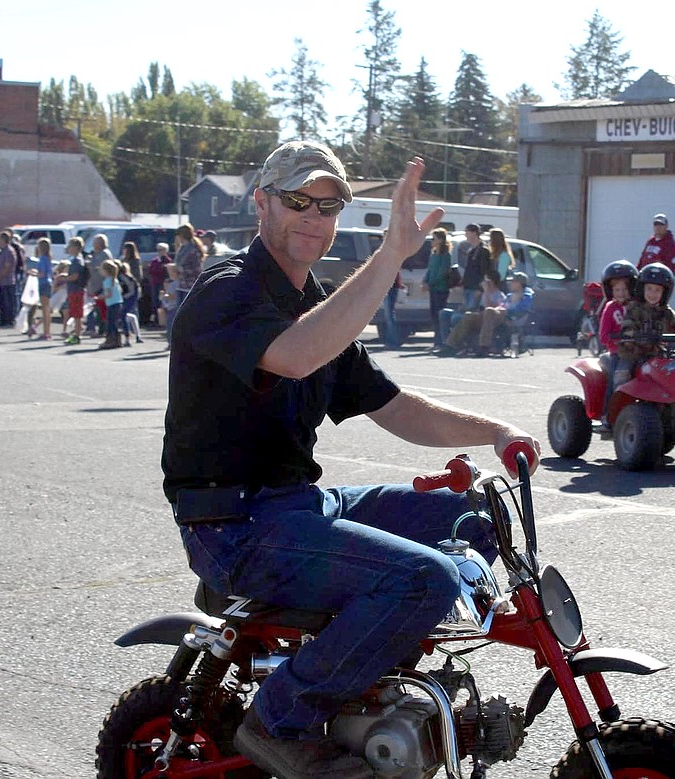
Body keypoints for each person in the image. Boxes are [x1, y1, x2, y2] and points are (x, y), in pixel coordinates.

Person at [162, 140, 539, 779]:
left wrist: (496, 432)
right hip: (232, 525)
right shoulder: (226, 293)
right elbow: (294, 356)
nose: (314, 215)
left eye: (329, 204)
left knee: (470, 517)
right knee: (424, 578)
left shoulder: (321, 304)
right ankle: (281, 719)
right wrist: (392, 255)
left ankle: (378, 690)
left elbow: (393, 405)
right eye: (297, 200)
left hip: (296, 505)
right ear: (261, 203)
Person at [616, 262, 675, 387]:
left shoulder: (666, 312)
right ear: (642, 289)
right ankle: (615, 405)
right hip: (633, 354)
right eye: (649, 289)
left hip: (658, 355)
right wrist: (636, 335)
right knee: (622, 375)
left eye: (657, 290)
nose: (653, 293)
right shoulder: (634, 310)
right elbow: (628, 328)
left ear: (665, 293)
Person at [438, 270, 532, 357]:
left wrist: (510, 308)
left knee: (489, 311)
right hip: (497, 313)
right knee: (469, 315)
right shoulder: (509, 295)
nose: (510, 283)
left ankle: (484, 347)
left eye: (513, 282)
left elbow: (520, 310)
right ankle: (450, 346)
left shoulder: (526, 296)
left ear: (520, 283)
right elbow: (501, 305)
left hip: (509, 317)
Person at [597, 260, 638, 436]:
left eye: (624, 289)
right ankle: (608, 416)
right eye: (617, 290)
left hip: (637, 350)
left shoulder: (636, 307)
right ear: (610, 291)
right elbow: (604, 335)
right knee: (617, 380)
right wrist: (617, 341)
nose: (621, 293)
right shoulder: (609, 308)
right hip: (618, 353)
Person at [422, 227, 452, 347]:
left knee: (440, 315)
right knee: (433, 315)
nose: (432, 241)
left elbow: (442, 272)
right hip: (433, 289)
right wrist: (425, 281)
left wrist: (431, 283)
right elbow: (430, 270)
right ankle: (436, 341)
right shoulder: (434, 253)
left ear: (440, 240)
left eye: (434, 238)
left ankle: (442, 341)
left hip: (441, 288)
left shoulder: (445, 255)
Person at [59, 236, 88, 346]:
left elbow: (75, 276)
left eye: (70, 246)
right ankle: (76, 334)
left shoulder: (77, 261)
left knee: (77, 314)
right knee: (75, 313)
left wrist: (63, 279)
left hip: (76, 290)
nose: (68, 248)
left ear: (76, 247)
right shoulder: (76, 260)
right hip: (74, 290)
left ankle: (77, 335)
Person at [458, 223, 492, 310]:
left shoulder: (483, 250)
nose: (465, 235)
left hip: (475, 289)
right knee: (465, 313)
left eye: (467, 232)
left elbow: (484, 271)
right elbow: (468, 269)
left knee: (471, 312)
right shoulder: (471, 250)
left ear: (474, 233)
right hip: (468, 287)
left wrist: (480, 289)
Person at [174, 223, 206, 306]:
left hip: (191, 285)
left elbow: (197, 268)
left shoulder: (193, 249)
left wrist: (182, 269)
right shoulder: (182, 248)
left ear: (182, 235)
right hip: (181, 284)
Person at [0, 231, 18, 328]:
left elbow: (7, 267)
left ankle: (9, 320)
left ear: (4, 239)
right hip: (1, 281)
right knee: (1, 301)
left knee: (8, 302)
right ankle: (3, 319)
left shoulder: (9, 251)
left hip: (7, 281)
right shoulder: (1, 251)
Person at [31, 237, 55, 340]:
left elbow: (42, 274)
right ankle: (47, 331)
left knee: (45, 309)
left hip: (43, 283)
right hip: (48, 283)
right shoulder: (48, 258)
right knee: (46, 308)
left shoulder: (42, 259)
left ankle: (46, 332)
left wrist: (33, 273)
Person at [98, 259, 123, 350]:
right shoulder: (114, 280)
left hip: (112, 304)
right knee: (114, 323)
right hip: (118, 303)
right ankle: (116, 340)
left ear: (106, 270)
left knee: (110, 323)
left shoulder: (107, 281)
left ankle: (110, 341)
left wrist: (99, 297)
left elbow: (109, 294)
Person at [147, 242, 172, 327]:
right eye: (158, 250)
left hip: (163, 283)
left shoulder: (168, 260)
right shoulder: (155, 260)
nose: (159, 252)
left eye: (161, 250)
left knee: (162, 301)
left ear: (165, 250)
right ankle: (155, 319)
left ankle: (163, 320)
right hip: (155, 283)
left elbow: (164, 271)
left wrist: (160, 267)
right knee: (155, 302)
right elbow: (150, 270)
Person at [118, 260, 143, 346]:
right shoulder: (124, 276)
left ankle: (127, 338)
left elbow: (132, 289)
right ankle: (137, 335)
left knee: (123, 315)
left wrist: (125, 296)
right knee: (129, 316)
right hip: (128, 297)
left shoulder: (122, 277)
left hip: (130, 297)